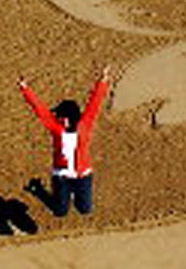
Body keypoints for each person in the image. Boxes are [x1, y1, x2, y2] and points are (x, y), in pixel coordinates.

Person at [17, 69, 114, 217]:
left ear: (69, 117)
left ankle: (63, 195)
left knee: (85, 209)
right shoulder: (56, 128)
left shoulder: (85, 125)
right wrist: (25, 88)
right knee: (60, 212)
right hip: (62, 177)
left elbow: (94, 104)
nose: (58, 117)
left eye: (61, 115)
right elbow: (40, 110)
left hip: (83, 176)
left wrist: (103, 81)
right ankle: (45, 194)